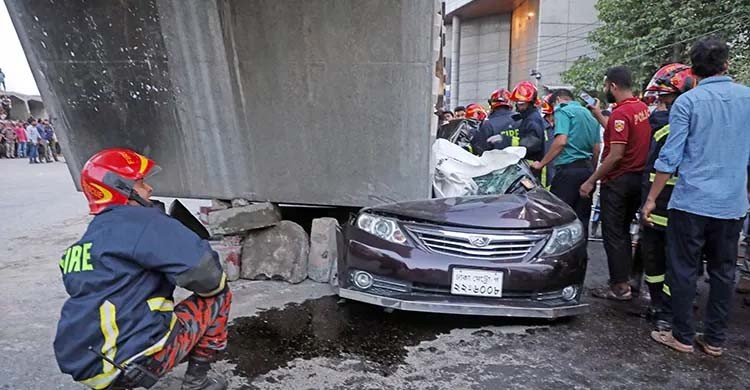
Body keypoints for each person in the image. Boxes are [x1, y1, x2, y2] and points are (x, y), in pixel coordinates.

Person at [54, 148, 231, 389]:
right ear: (121, 187)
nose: (149, 189)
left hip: (86, 363)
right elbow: (209, 277)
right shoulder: (140, 221)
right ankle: (197, 382)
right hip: (133, 362)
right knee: (220, 295)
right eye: (141, 182)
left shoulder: (84, 243)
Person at [644, 38, 750, 356]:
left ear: (693, 69)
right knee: (724, 270)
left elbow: (670, 157)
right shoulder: (747, 98)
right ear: (727, 65)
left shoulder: (688, 103)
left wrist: (651, 199)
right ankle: (715, 340)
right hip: (731, 204)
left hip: (690, 202)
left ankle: (683, 336)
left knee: (684, 268)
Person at [582, 66, 651, 300]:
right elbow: (618, 133)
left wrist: (592, 180)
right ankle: (630, 280)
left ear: (613, 85)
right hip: (638, 179)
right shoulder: (641, 109)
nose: (605, 90)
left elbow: (616, 154)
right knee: (626, 232)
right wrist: (598, 115)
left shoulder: (621, 114)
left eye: (605, 85)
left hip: (619, 181)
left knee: (615, 234)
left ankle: (620, 287)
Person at [637, 63, 696, 330]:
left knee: (674, 261)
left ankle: (668, 311)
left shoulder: (674, 124)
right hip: (659, 203)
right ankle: (659, 305)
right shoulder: (668, 122)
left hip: (672, 204)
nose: (661, 103)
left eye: (666, 97)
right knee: (656, 259)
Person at [531, 89, 601, 242]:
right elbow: (597, 148)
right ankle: (580, 256)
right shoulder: (590, 115)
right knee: (581, 219)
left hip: (568, 172)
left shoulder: (563, 111)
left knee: (559, 219)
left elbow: (561, 141)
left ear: (557, 101)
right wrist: (592, 175)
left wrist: (541, 164)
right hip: (587, 170)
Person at [471, 88, 519, 156]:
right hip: (520, 162)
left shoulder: (488, 124)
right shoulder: (520, 118)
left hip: (496, 164)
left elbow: (482, 150)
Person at [508, 81, 546, 163]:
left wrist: (510, 145)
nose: (518, 106)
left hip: (531, 164)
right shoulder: (527, 117)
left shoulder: (532, 120)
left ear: (530, 103)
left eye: (521, 104)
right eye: (517, 103)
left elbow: (531, 144)